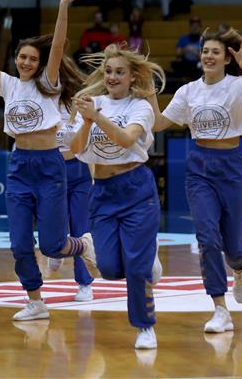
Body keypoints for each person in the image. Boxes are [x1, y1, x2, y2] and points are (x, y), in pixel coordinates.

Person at [0, 0, 96, 322]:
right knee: (19, 244)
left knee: (54, 245)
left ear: (40, 63)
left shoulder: (49, 83)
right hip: (18, 167)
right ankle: (35, 300)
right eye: (21, 57)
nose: (25, 62)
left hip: (50, 166)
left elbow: (57, 45)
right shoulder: (8, 85)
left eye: (31, 58)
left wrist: (63, 7)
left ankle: (82, 246)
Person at [148, 28, 242, 334]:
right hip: (199, 166)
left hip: (231, 165)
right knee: (207, 239)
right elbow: (159, 123)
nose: (208, 56)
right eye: (205, 51)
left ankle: (241, 270)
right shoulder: (188, 91)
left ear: (227, 57)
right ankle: (220, 308)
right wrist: (148, 90)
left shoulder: (241, 86)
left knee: (233, 246)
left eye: (215, 52)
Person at [69, 43, 166, 349]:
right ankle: (147, 258)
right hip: (103, 191)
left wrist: (96, 116)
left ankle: (144, 327)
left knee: (136, 267)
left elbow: (125, 139)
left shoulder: (141, 107)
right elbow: (75, 149)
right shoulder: (91, 104)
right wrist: (86, 120)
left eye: (119, 72)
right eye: (109, 71)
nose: (112, 77)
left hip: (136, 187)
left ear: (132, 77)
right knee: (109, 269)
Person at [47, 54, 95, 302]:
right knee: (53, 220)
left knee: (81, 226)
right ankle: (55, 248)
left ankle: (85, 283)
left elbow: (87, 137)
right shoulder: (40, 99)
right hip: (50, 169)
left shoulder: (80, 100)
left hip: (78, 169)